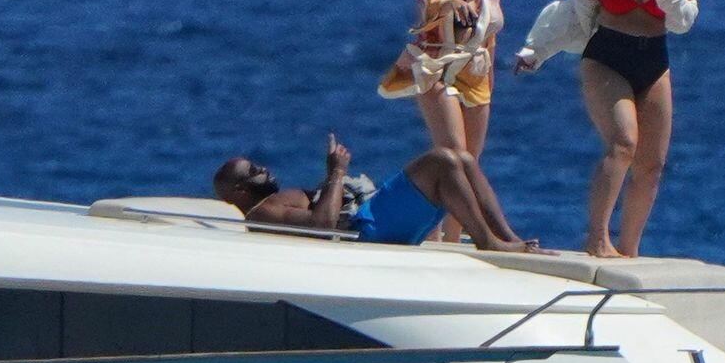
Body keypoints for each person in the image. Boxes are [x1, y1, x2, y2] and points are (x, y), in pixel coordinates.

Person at [518, 0, 697, 258]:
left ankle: (629, 250)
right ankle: (597, 238)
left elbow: (682, 23)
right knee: (623, 143)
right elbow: (575, 17)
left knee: (652, 165)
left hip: (654, 58)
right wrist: (538, 51)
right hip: (606, 56)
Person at [378, 0, 513, 243]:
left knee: (471, 163)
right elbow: (426, 8)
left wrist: (491, 81)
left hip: (476, 74)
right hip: (436, 69)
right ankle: (435, 235)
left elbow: (489, 36)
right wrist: (448, 5)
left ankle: (455, 237)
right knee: (453, 155)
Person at [212, 135, 539, 252]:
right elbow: (322, 225)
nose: (264, 169)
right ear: (239, 191)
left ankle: (506, 237)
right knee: (441, 161)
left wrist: (331, 179)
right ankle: (488, 242)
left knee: (462, 160)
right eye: (253, 171)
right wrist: (337, 173)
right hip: (366, 230)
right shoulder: (262, 213)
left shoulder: (274, 203)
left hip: (371, 218)